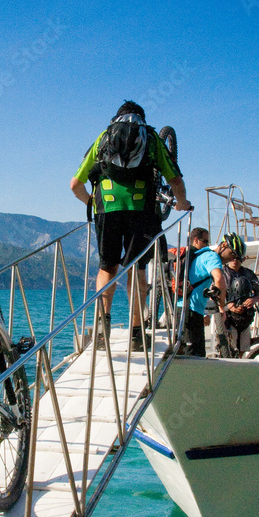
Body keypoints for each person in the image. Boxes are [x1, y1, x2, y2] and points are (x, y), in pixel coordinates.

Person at [70, 101, 191, 351]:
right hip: (141, 210)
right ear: (142, 119)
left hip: (106, 208)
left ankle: (101, 332)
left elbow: (74, 185)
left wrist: (91, 202)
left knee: (107, 268)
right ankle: (137, 335)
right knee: (137, 268)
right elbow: (176, 181)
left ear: (117, 118)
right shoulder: (153, 140)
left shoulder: (103, 137)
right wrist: (181, 202)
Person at [216, 233, 259, 357]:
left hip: (245, 319)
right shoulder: (221, 274)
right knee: (228, 350)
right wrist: (228, 306)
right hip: (228, 318)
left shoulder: (248, 273)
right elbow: (214, 296)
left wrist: (254, 300)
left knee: (243, 351)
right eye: (232, 257)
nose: (234, 261)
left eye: (238, 258)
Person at [181, 227, 226, 357]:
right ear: (196, 240)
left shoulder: (193, 258)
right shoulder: (211, 256)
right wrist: (222, 309)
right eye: (206, 241)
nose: (208, 245)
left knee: (187, 353)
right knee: (195, 356)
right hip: (192, 311)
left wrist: (205, 312)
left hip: (182, 308)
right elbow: (219, 278)